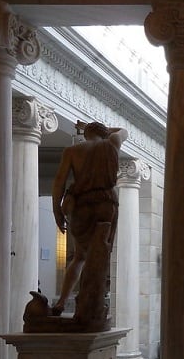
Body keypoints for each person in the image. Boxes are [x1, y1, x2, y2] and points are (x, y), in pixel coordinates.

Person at [51, 121, 127, 326]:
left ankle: (62, 301)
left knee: (79, 257)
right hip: (105, 203)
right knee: (101, 255)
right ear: (103, 133)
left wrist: (56, 210)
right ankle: (92, 303)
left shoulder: (72, 150)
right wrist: (108, 131)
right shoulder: (111, 144)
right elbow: (124, 131)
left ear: (85, 134)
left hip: (81, 206)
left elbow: (59, 182)